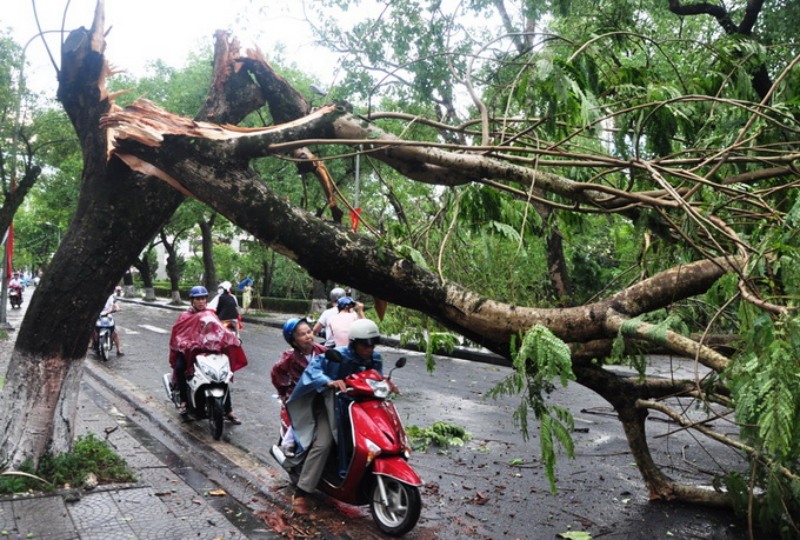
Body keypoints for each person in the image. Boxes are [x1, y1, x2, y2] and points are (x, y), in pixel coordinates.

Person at [286, 318, 383, 514]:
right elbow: (314, 370)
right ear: (354, 343)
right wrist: (328, 382)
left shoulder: (375, 358)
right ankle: (302, 491)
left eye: (373, 344)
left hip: (360, 408)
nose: (370, 349)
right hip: (331, 405)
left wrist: (386, 383)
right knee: (324, 443)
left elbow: (376, 378)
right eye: (365, 344)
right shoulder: (338, 355)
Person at [168, 285, 247, 422]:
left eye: (203, 298)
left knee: (221, 374)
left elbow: (220, 331)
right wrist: (184, 344)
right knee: (180, 368)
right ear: (192, 300)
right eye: (197, 299)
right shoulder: (184, 316)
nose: (201, 301)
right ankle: (184, 401)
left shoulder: (211, 315)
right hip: (189, 351)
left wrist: (232, 339)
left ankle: (228, 410)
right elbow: (178, 335)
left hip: (207, 351)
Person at [272, 317, 327, 456]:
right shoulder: (288, 358)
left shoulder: (323, 351)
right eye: (302, 334)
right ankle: (288, 443)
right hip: (299, 394)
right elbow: (276, 374)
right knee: (302, 413)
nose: (308, 336)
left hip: (323, 392)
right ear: (294, 341)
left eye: (309, 331)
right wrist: (284, 392)